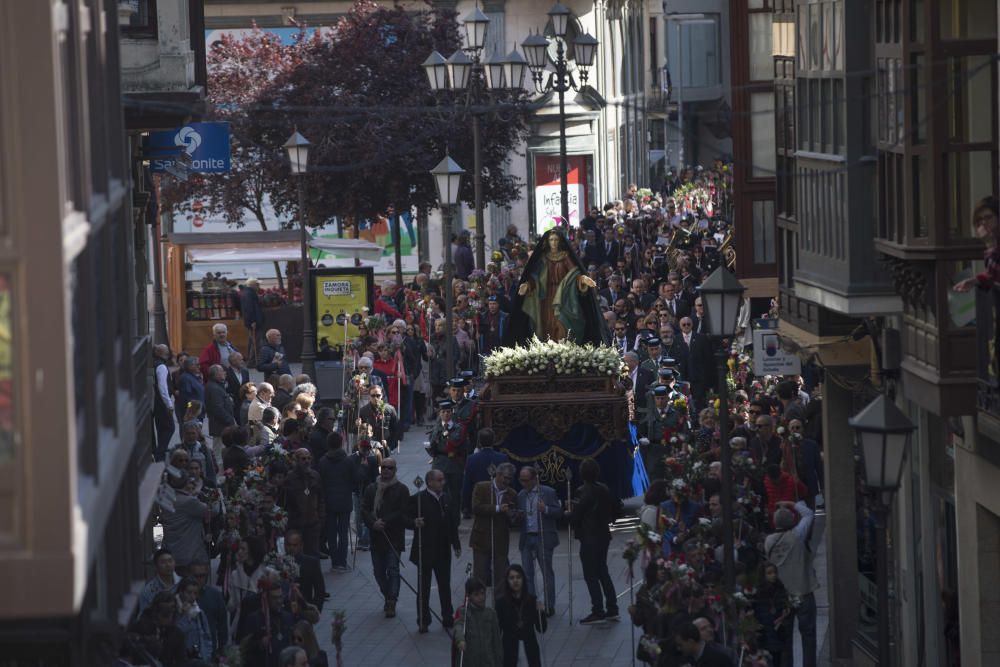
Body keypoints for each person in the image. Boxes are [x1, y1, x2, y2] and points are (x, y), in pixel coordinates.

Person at [505, 229, 608, 346]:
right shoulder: (543, 258)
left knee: (561, 324)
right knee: (547, 325)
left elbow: (574, 274)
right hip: (546, 297)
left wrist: (583, 279)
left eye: (556, 240)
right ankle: (546, 350)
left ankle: (562, 349)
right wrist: (527, 285)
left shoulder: (565, 257)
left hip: (563, 296)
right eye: (551, 240)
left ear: (560, 242)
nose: (553, 242)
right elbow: (536, 277)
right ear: (547, 242)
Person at [566, 457, 621, 624]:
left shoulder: (583, 491)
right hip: (603, 534)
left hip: (589, 537)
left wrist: (568, 513)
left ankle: (598, 609)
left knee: (591, 574)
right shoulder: (604, 488)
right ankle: (612, 608)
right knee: (602, 570)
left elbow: (576, 516)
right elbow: (616, 507)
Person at [765, 501, 819, 667]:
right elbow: (809, 514)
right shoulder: (798, 534)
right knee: (808, 635)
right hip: (803, 591)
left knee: (785, 638)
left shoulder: (768, 541)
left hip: (783, 596)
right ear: (792, 522)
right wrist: (791, 503)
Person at [407, 468, 461, 633]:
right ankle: (423, 619)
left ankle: (447, 616)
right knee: (423, 587)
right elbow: (405, 517)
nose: (442, 483)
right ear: (430, 482)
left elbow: (452, 522)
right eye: (439, 480)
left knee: (444, 585)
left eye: (443, 479)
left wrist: (456, 544)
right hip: (425, 549)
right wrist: (414, 522)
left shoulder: (446, 498)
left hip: (443, 550)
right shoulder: (418, 499)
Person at [361, 457, 410, 618]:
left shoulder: (402, 489)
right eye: (384, 467)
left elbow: (403, 511)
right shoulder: (371, 489)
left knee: (393, 570)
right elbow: (365, 510)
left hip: (393, 537)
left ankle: (391, 600)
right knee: (378, 572)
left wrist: (386, 522)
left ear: (395, 470)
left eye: (390, 468)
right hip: (376, 538)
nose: (387, 470)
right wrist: (372, 523)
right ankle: (387, 594)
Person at [516, 465, 562, 617]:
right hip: (527, 536)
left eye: (526, 480)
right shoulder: (521, 495)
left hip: (543, 536)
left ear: (535, 479)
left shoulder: (548, 492)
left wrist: (546, 509)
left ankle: (549, 605)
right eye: (521, 481)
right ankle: (531, 604)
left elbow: (558, 512)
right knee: (527, 574)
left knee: (546, 572)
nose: (524, 484)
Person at [470, 462, 517, 599]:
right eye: (506, 478)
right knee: (480, 576)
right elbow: (476, 508)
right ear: (498, 474)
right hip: (481, 538)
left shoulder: (511, 493)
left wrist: (514, 516)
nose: (507, 481)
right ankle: (479, 606)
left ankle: (500, 608)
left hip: (500, 540)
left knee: (501, 577)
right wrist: (497, 508)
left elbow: (512, 520)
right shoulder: (482, 487)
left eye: (510, 478)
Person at [496, 564, 547, 667]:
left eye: (518, 577)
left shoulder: (531, 600)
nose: (515, 581)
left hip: (530, 646)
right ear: (507, 581)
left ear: (523, 579)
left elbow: (541, 629)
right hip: (510, 647)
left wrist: (541, 612)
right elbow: (498, 629)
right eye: (512, 578)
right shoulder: (501, 603)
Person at [319, 431, 356, 572]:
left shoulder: (323, 461)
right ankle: (342, 560)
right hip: (345, 501)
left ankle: (335, 561)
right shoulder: (348, 461)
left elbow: (320, 481)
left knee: (331, 533)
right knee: (343, 532)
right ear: (341, 443)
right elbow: (355, 479)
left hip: (329, 501)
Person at [428, 399, 467, 525]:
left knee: (455, 495)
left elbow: (453, 443)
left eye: (448, 411)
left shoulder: (458, 427)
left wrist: (442, 439)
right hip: (439, 464)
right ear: (440, 413)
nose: (446, 414)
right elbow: (432, 443)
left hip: (454, 464)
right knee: (439, 493)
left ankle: (455, 521)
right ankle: (441, 520)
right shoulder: (436, 427)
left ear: (452, 412)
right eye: (443, 412)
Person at [453, 577, 502, 667]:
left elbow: (497, 643)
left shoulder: (491, 614)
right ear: (469, 596)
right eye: (476, 595)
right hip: (469, 662)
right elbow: (458, 626)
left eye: (482, 593)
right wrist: (460, 640)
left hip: (488, 662)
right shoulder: (462, 612)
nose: (481, 597)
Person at [285, 448, 324, 556]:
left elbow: (321, 498)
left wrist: (321, 518)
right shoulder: (290, 478)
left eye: (308, 458)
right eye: (303, 459)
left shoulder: (315, 476)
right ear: (297, 460)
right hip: (297, 524)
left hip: (313, 524)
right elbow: (287, 501)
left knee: (313, 555)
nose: (307, 461)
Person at [463, 428, 510, 517]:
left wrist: (466, 506)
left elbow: (467, 484)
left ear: (479, 442)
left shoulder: (471, 459)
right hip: (498, 500)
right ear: (493, 440)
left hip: (479, 499)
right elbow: (509, 481)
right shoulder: (502, 458)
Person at [187, 561, 228, 655]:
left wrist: (222, 650)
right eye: (195, 576)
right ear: (189, 575)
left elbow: (222, 625)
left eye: (202, 576)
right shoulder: (181, 595)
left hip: (210, 650)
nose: (198, 579)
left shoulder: (215, 595)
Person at [284, 528, 326, 612]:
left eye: (295, 545)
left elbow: (320, 589)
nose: (291, 548)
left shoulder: (311, 563)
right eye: (289, 545)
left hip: (304, 609)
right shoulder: (279, 562)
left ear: (301, 545)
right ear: (285, 545)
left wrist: (315, 609)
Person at [174, 576, 215, 662]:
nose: (193, 597)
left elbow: (207, 637)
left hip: (200, 658)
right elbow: (178, 633)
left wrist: (207, 656)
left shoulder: (199, 612)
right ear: (181, 591)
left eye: (195, 593)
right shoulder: (174, 611)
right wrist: (184, 616)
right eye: (189, 593)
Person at [205, 364, 236, 465]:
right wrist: (230, 421)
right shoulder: (214, 388)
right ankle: (218, 471)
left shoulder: (217, 385)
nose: (225, 373)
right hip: (220, 425)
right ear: (216, 374)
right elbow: (218, 409)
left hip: (221, 425)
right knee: (218, 451)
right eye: (222, 371)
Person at [137, 548, 181, 616]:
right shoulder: (148, 591)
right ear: (156, 566)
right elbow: (143, 615)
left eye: (170, 561)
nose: (168, 565)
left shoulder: (182, 583)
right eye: (163, 562)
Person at [358, 383, 400, 453]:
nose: (375, 398)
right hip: (369, 447)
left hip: (386, 446)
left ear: (382, 395)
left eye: (378, 395)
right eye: (373, 396)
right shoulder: (363, 411)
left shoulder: (390, 409)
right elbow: (358, 431)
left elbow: (396, 429)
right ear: (369, 396)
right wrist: (358, 425)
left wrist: (390, 446)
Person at [152, 344, 176, 460]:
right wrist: (169, 404)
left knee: (162, 428)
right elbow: (162, 387)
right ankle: (161, 452)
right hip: (162, 404)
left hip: (158, 403)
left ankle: (160, 451)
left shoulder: (156, 364)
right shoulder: (161, 366)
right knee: (169, 428)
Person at [240, 278, 265, 364]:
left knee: (253, 341)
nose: (259, 286)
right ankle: (253, 361)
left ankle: (252, 360)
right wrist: (253, 321)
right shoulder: (249, 294)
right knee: (256, 341)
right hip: (253, 322)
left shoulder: (247, 293)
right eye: (257, 284)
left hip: (252, 321)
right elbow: (249, 309)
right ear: (253, 285)